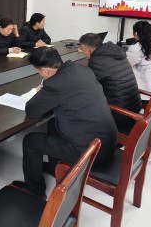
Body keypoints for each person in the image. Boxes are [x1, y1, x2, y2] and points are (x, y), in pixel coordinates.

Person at [16, 47, 117, 199]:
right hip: (107, 140)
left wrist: (39, 93)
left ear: (45, 71)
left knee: (30, 141)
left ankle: (34, 190)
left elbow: (32, 110)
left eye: (38, 72)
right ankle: (54, 167)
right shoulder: (82, 70)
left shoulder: (55, 84)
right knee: (53, 124)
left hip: (90, 151)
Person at [79, 33, 142, 132]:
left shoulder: (96, 61)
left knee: (80, 103)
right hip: (134, 105)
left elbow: (89, 88)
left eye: (82, 50)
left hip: (120, 114)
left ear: (88, 50)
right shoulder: (117, 52)